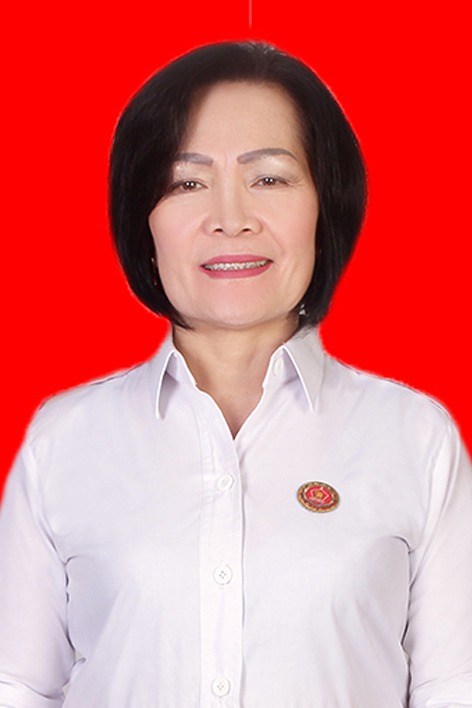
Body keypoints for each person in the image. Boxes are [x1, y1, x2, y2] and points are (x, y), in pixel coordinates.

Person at [0, 40, 471, 708]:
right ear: (144, 220)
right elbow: (18, 686)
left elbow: (454, 687)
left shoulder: (414, 439)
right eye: (187, 183)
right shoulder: (65, 441)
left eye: (269, 179)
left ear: (324, 206)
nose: (231, 219)